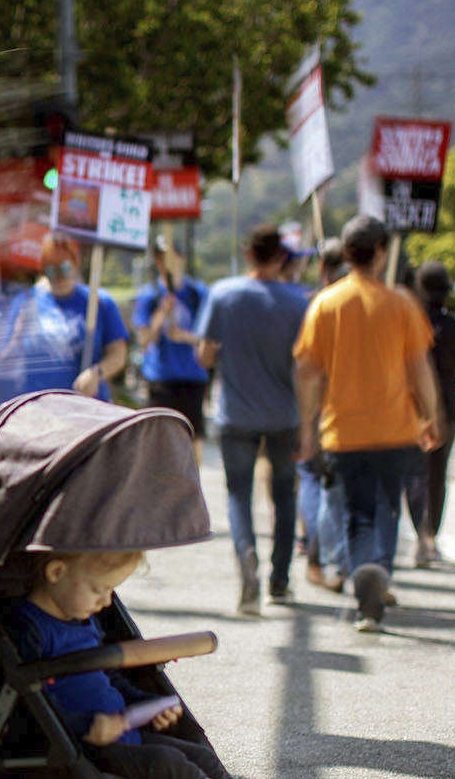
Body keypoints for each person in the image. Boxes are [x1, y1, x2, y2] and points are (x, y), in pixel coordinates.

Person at [5, 549, 324, 779]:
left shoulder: (82, 619)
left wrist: (148, 706)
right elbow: (25, 706)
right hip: (74, 748)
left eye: (112, 591)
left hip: (119, 734)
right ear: (56, 571)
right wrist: (85, 727)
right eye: (99, 590)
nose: (105, 601)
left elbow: (110, 681)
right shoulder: (28, 628)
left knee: (198, 756)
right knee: (164, 761)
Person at [293, 215, 443, 632]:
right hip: (396, 428)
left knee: (356, 513)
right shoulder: (401, 304)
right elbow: (419, 367)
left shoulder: (325, 304)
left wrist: (307, 426)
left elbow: (307, 372)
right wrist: (429, 415)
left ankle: (366, 593)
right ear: (381, 253)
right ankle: (379, 572)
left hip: (343, 431)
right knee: (387, 508)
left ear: (345, 253)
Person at [196, 225, 310, 613]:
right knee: (283, 497)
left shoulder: (223, 294)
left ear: (248, 254)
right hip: (283, 415)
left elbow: (205, 357)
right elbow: (304, 367)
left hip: (235, 415)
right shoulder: (298, 303)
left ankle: (246, 556)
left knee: (238, 494)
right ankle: (280, 581)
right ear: (282, 258)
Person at [403, 260, 455, 568]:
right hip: (447, 406)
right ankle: (432, 537)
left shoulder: (410, 322)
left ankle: (419, 533)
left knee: (414, 473)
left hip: (413, 406)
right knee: (438, 473)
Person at [4, 233, 128, 400]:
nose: (59, 276)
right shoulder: (24, 303)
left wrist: (97, 373)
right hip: (38, 412)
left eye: (65, 268)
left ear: (75, 264)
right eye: (51, 270)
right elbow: (5, 364)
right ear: (42, 270)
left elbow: (119, 354)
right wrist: (18, 337)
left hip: (87, 410)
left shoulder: (98, 301)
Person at [298, 239, 349, 589]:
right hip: (338, 407)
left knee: (313, 481)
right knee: (332, 488)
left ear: (321, 268)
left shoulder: (310, 305)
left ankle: (316, 556)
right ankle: (330, 558)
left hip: (310, 404)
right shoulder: (352, 303)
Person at [129, 238, 210, 447]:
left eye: (172, 256)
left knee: (192, 441)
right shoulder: (149, 295)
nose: (167, 262)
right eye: (162, 257)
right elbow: (144, 342)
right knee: (159, 443)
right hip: (161, 380)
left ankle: (192, 481)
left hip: (193, 377)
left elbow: (211, 339)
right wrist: (161, 314)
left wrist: (185, 337)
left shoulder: (197, 293)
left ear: (181, 258)